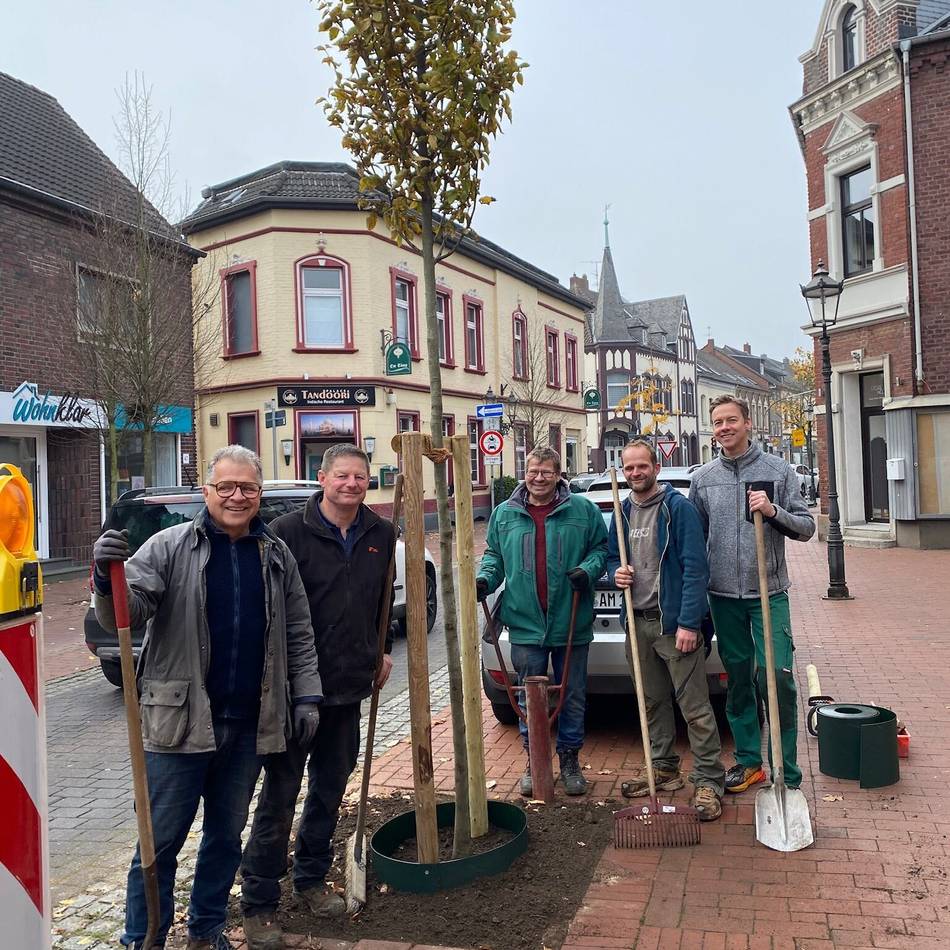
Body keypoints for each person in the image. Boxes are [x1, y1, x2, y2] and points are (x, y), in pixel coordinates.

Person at [92, 446, 322, 950]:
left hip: (246, 726)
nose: (237, 497)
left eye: (248, 488)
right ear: (207, 491)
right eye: (227, 487)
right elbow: (124, 614)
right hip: (178, 725)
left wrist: (306, 695)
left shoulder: (275, 555)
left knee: (224, 838)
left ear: (259, 494)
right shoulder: (169, 547)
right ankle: (144, 937)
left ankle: (206, 930)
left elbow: (299, 632)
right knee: (160, 842)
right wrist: (104, 580)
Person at [240, 444, 397, 949]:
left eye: (360, 478)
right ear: (322, 478)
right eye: (343, 476)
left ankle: (309, 880)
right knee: (280, 796)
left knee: (329, 792)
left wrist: (382, 650)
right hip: (292, 694)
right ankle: (259, 901)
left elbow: (381, 599)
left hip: (348, 689)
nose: (352, 485)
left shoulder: (381, 533)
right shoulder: (287, 533)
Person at [689, 395, 816, 794]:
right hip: (724, 596)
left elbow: (807, 527)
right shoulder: (703, 478)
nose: (723, 428)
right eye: (717, 422)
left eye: (731, 420)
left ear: (748, 424)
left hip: (769, 593)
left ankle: (786, 769)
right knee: (739, 680)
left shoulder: (777, 470)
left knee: (776, 678)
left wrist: (774, 510)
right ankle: (749, 762)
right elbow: (697, 538)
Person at [476, 446, 608, 797]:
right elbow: (494, 555)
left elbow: (601, 549)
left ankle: (569, 760)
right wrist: (485, 579)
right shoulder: (505, 514)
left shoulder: (583, 510)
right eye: (533, 471)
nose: (538, 478)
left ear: (558, 474)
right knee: (527, 695)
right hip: (524, 622)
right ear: (525, 472)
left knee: (572, 693)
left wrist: (589, 570)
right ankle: (535, 760)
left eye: (546, 472)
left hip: (570, 620)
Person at [607, 440, 725, 820]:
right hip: (636, 622)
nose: (636, 474)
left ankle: (708, 780)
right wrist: (616, 573)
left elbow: (696, 568)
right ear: (624, 472)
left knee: (694, 707)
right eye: (629, 469)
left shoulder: (678, 509)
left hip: (672, 624)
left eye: (642, 467)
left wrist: (689, 623)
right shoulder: (622, 512)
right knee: (652, 702)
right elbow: (612, 557)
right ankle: (664, 767)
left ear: (656, 468)